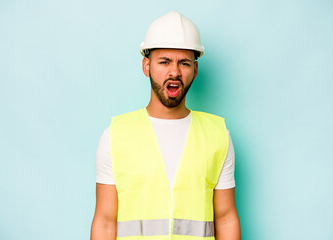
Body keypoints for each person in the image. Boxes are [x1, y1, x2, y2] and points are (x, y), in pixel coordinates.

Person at [90, 11, 241, 240]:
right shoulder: (115, 136)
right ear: (146, 66)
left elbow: (226, 217)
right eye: (164, 62)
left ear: (195, 70)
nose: (174, 72)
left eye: (184, 63)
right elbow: (104, 222)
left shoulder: (217, 136)